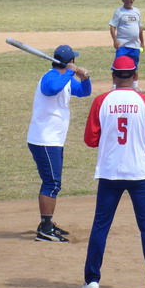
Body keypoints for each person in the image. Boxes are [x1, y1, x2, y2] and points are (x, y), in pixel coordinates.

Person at [81, 55, 145, 288]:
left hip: (110, 172)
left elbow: (90, 140)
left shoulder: (102, 101)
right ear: (136, 75)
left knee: (101, 225)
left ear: (112, 76)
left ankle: (92, 281)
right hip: (139, 173)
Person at [27, 44, 92, 242]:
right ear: (69, 61)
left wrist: (85, 79)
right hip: (44, 140)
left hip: (54, 140)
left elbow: (84, 92)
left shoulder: (66, 79)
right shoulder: (50, 77)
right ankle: (45, 229)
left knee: (53, 182)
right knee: (52, 183)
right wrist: (70, 73)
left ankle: (47, 223)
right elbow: (52, 88)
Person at [109, 0, 145, 93]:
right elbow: (112, 27)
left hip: (135, 45)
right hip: (122, 44)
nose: (129, 0)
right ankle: (114, 85)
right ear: (123, 0)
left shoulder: (137, 11)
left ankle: (135, 85)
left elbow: (140, 28)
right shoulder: (119, 12)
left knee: (134, 65)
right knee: (118, 64)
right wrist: (115, 40)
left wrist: (142, 42)